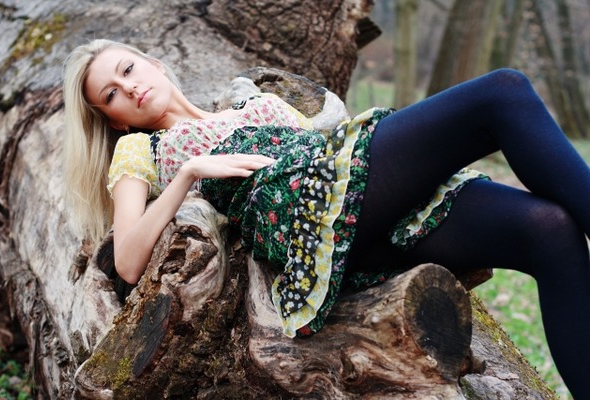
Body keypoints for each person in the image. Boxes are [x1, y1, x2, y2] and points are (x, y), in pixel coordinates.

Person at [63, 39, 590, 398]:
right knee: (503, 89)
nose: (128, 88)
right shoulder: (139, 150)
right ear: (114, 120)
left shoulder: (251, 105)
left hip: (354, 195)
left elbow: (327, 146)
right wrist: (188, 173)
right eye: (111, 95)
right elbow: (128, 260)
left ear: (152, 63)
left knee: (550, 231)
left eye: (127, 70)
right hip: (305, 217)